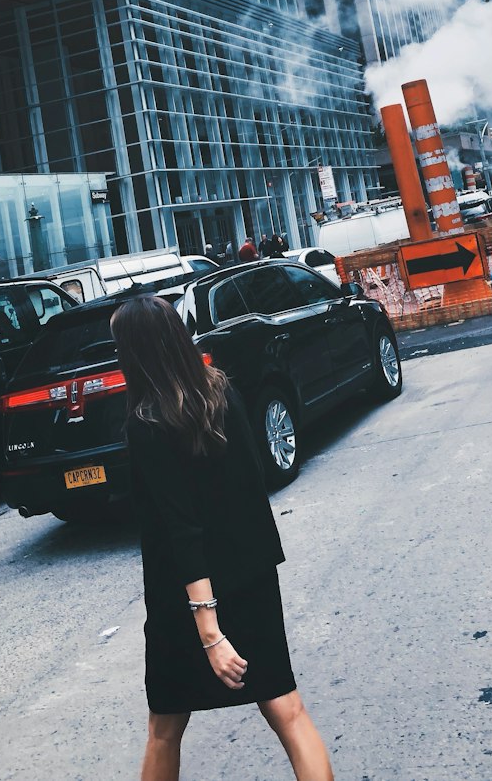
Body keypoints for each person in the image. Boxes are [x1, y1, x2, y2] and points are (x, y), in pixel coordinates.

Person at [111, 296, 334, 781]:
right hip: (251, 575)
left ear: (137, 353)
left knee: (164, 730)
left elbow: (182, 530)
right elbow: (247, 489)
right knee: (289, 713)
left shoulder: (147, 423)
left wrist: (209, 633)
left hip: (186, 601)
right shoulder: (220, 392)